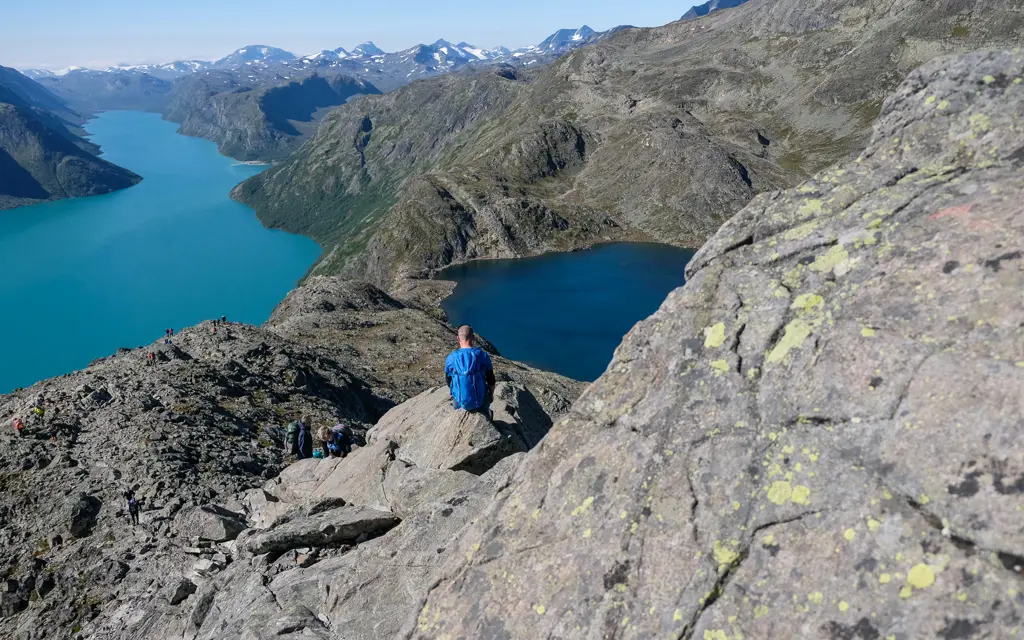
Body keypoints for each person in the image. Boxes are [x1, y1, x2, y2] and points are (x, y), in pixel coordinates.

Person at [444, 325, 495, 417]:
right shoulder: (482, 356)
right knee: (486, 411)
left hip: (459, 401)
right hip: (480, 401)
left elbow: (448, 380)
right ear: (473, 338)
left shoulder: (450, 358)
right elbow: (491, 379)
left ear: (458, 338)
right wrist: (491, 394)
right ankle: (486, 415)